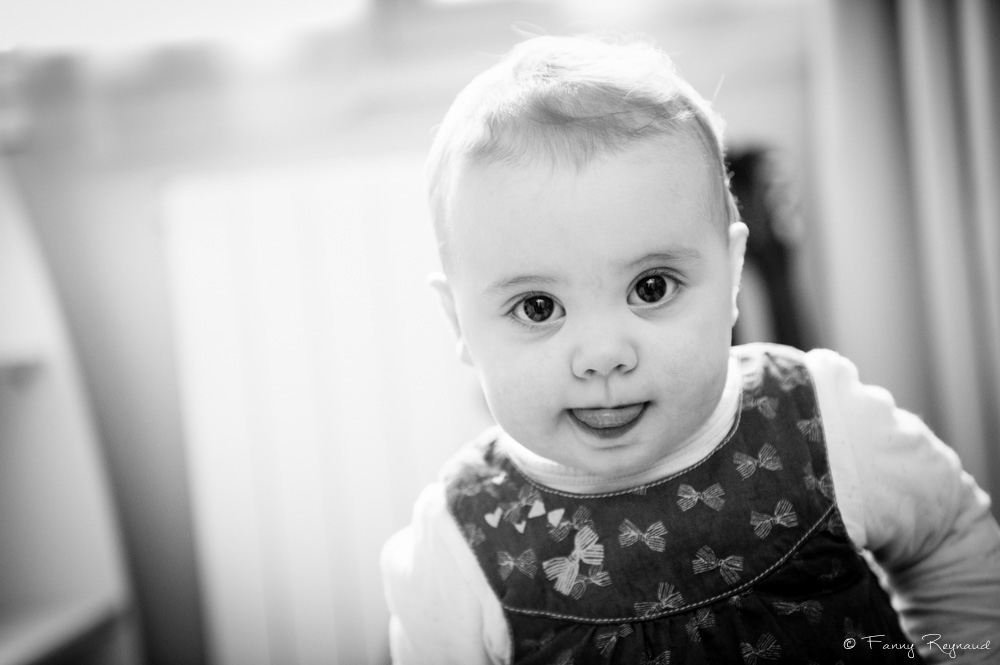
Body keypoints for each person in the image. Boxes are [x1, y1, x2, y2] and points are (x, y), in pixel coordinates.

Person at [380, 34, 1000, 664]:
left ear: (730, 277)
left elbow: (951, 542)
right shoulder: (459, 543)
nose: (603, 355)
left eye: (651, 288)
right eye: (538, 307)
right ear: (458, 322)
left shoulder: (818, 421)